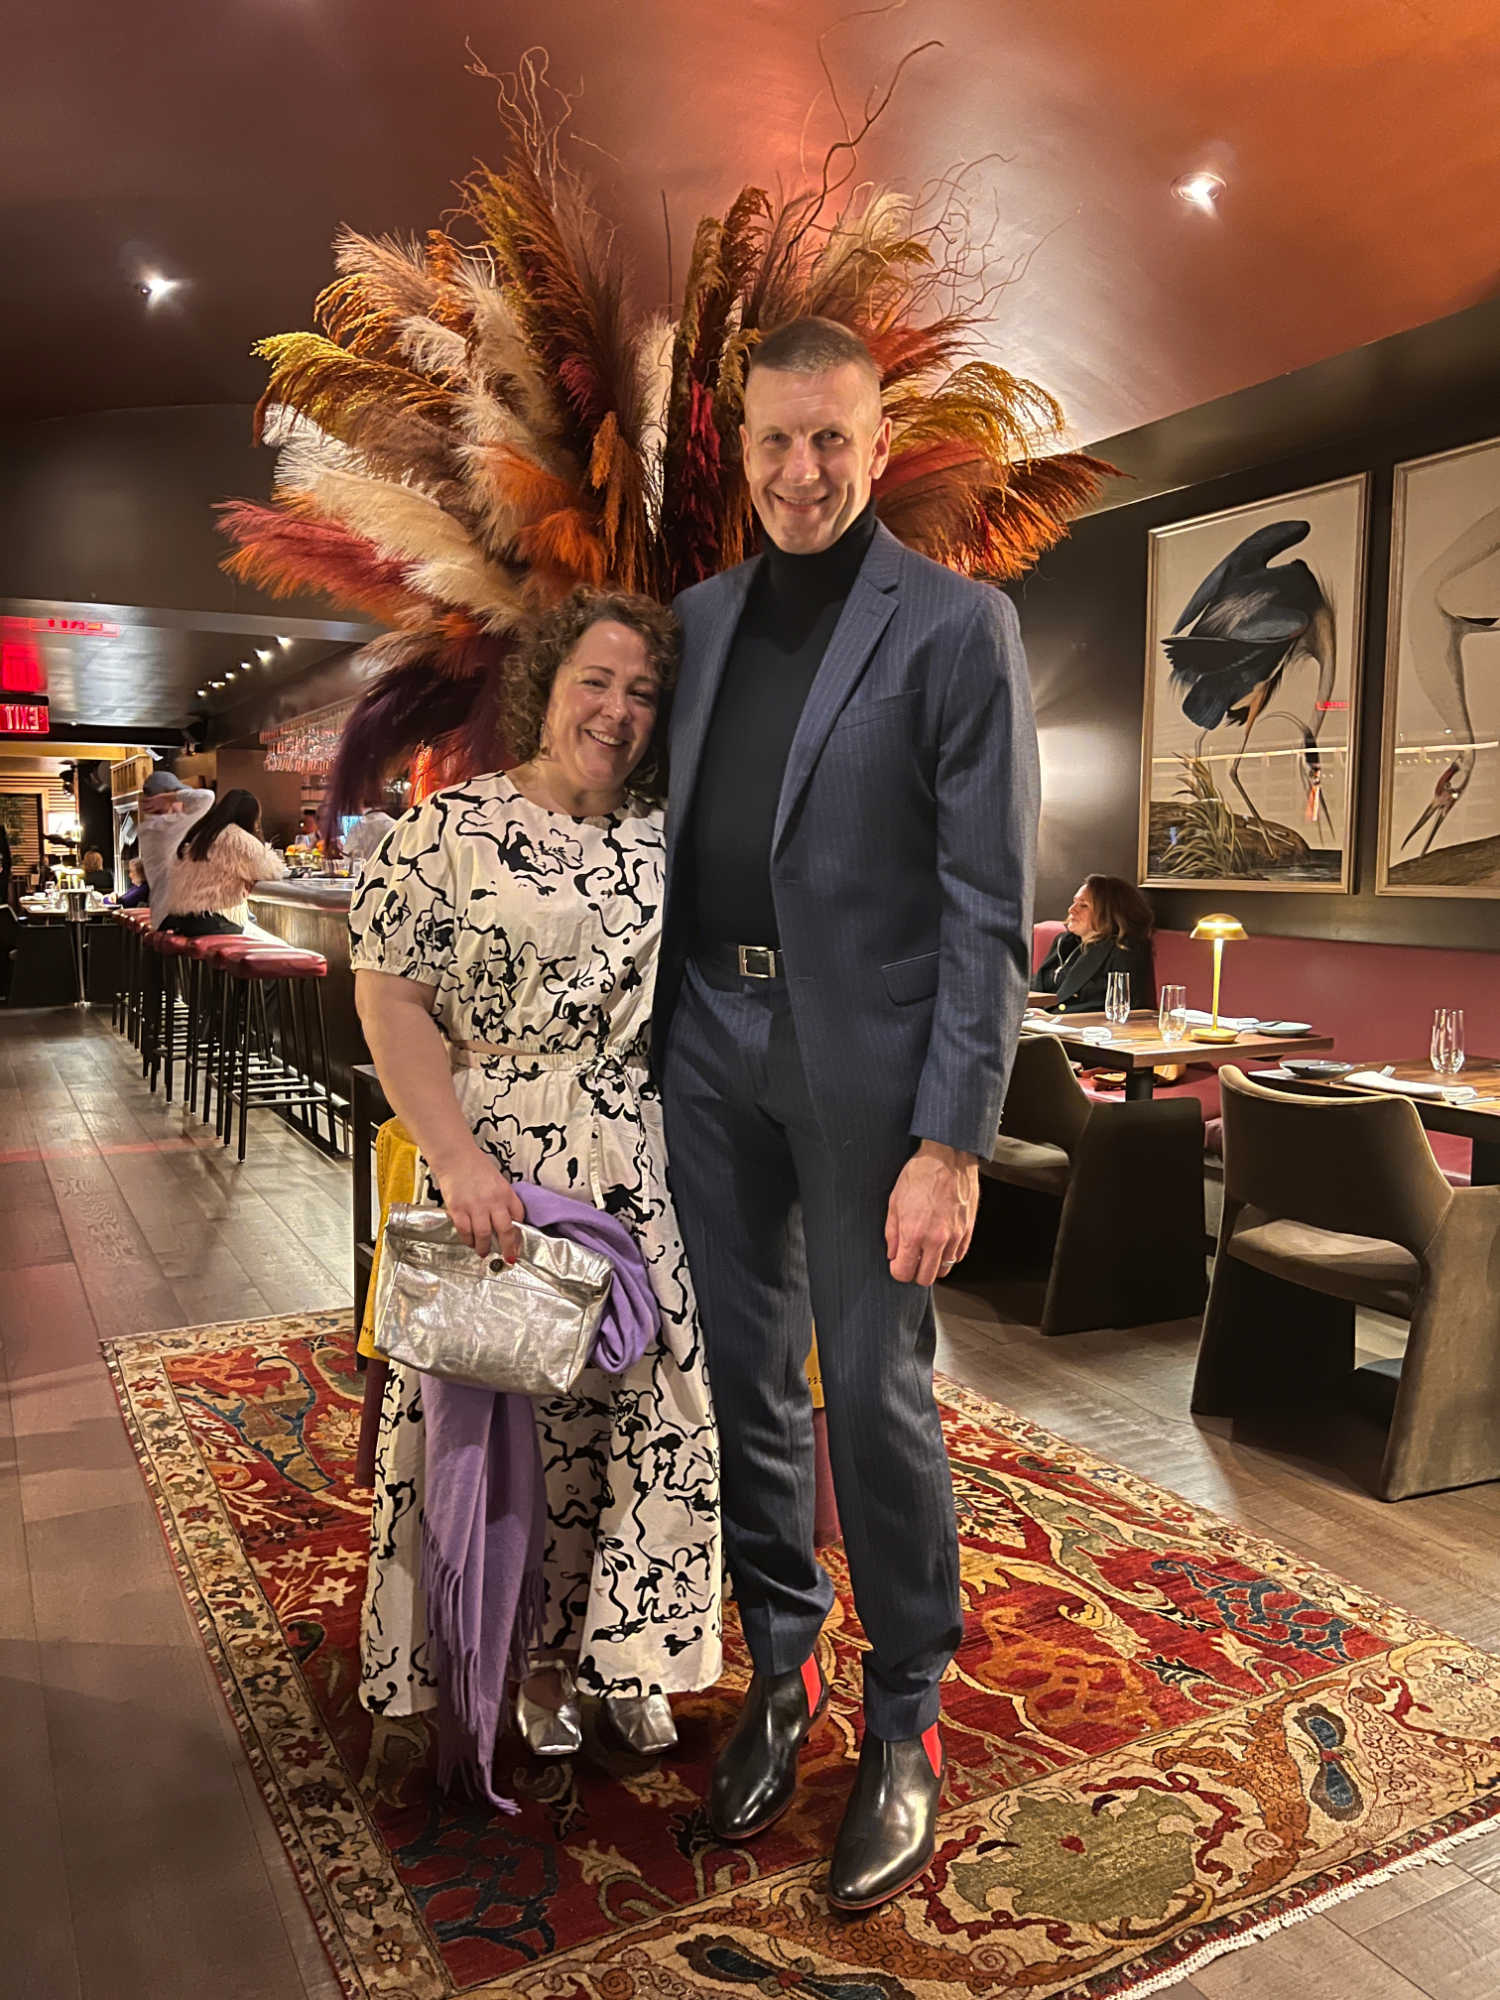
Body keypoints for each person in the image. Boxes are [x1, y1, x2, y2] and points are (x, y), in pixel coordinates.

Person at [656, 316, 1038, 1910]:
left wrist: (954, 1140)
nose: (802, 472)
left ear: (878, 447)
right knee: (744, 1376)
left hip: (871, 1073)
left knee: (872, 1391)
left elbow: (988, 903)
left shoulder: (957, 629)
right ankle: (781, 1671)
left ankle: (906, 1724)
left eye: (831, 441)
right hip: (705, 1043)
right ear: (739, 450)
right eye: (774, 443)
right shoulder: (697, 622)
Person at [349, 586, 721, 1776]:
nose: (616, 710)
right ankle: (533, 1660)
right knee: (525, 1419)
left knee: (656, 1406)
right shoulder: (445, 831)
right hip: (495, 1151)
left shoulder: (676, 837)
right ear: (547, 686)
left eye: (643, 691)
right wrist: (458, 1160)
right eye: (595, 681)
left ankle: (638, 1651)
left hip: (639, 1151)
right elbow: (392, 1001)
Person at [155, 788, 285, 936]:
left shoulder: (202, 834)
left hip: (182, 921)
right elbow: (273, 871)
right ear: (251, 818)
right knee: (268, 941)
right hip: (211, 923)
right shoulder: (237, 838)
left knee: (254, 928)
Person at [1030, 875, 1156, 1014]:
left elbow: (1126, 1011)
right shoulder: (1064, 941)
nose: (1071, 910)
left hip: (1079, 1031)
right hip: (1036, 1025)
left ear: (1109, 913)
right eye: (1074, 902)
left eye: (1083, 905)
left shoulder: (1124, 950)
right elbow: (1038, 990)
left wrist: (1049, 1020)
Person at [137, 770, 215, 927]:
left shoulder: (151, 827)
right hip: (175, 917)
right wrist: (170, 797)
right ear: (163, 797)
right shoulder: (165, 826)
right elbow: (207, 797)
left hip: (163, 915)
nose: (182, 801)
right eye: (177, 793)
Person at [341, 802, 398, 869]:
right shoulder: (395, 825)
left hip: (365, 875)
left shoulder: (359, 827)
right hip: (391, 875)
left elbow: (347, 858)